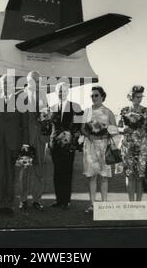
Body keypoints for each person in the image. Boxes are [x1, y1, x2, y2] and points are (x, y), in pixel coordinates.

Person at [0, 74, 29, 216]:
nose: (6, 86)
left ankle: (9, 204)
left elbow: (25, 125)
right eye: (4, 83)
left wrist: (25, 144)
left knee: (11, 174)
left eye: (9, 83)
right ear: (0, 85)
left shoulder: (21, 101)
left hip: (13, 144)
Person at [80, 86, 117, 213]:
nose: (94, 98)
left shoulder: (108, 112)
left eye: (96, 95)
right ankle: (92, 204)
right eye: (92, 96)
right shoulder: (87, 111)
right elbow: (83, 128)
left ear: (102, 96)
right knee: (92, 176)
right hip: (90, 145)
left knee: (104, 176)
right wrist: (89, 134)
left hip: (104, 146)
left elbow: (114, 129)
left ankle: (104, 204)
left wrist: (106, 132)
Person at [17, 71, 48, 211]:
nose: (36, 83)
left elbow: (45, 118)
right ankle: (23, 200)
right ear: (27, 80)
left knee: (39, 170)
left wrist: (45, 137)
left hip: (39, 140)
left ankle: (37, 199)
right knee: (25, 170)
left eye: (38, 80)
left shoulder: (43, 95)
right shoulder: (19, 96)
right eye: (33, 80)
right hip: (25, 139)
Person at [49, 81, 83, 210]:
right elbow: (49, 128)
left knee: (67, 172)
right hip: (55, 145)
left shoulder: (76, 106)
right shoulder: (52, 108)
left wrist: (72, 135)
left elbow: (79, 126)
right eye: (58, 91)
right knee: (57, 172)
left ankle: (66, 201)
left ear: (67, 91)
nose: (60, 93)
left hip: (69, 145)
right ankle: (59, 200)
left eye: (63, 90)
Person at [117, 85, 147, 202]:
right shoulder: (124, 110)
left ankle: (138, 203)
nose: (139, 99)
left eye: (141, 96)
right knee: (129, 175)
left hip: (142, 146)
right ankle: (131, 203)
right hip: (127, 146)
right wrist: (123, 130)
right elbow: (118, 128)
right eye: (137, 97)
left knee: (140, 176)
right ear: (131, 97)